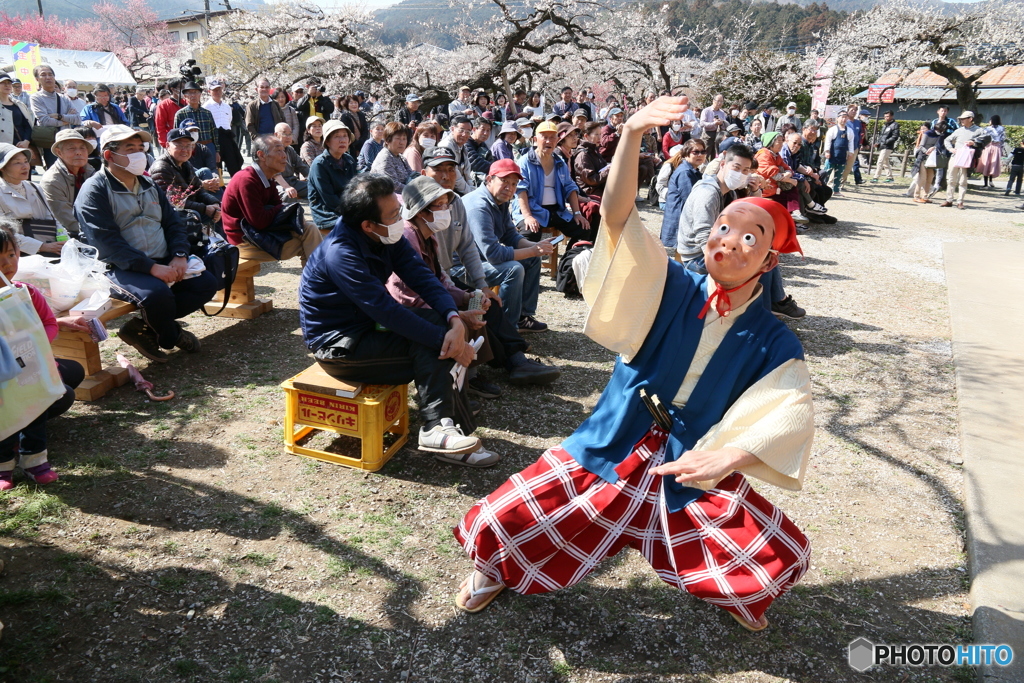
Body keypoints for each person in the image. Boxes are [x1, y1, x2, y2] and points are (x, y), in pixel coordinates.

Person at [452, 97, 814, 632]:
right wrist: (631, 136)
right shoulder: (671, 283)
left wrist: (728, 457)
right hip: (619, 433)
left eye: (747, 239)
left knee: (767, 557)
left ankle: (734, 590)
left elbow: (789, 408)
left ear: (769, 260)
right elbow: (617, 218)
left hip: (688, 454)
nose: (727, 243)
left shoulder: (773, 337)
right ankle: (496, 570)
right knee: (514, 514)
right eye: (721, 230)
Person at [299, 173, 493, 464]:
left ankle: (449, 434)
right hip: (339, 346)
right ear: (367, 224)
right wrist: (451, 340)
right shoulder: (341, 254)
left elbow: (424, 278)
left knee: (441, 331)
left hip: (367, 328)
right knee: (436, 344)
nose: (401, 219)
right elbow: (386, 312)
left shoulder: (384, 235)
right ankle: (437, 428)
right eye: (393, 214)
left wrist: (453, 319)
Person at [389, 175, 559, 395]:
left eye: (445, 205)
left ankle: (515, 361)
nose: (445, 210)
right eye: (439, 206)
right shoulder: (408, 238)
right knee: (468, 316)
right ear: (421, 211)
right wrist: (455, 311)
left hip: (433, 293)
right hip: (412, 307)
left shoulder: (428, 235)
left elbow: (440, 277)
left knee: (485, 303)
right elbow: (407, 294)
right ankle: (469, 378)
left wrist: (467, 296)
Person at [75, 125, 220, 362]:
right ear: (110, 155)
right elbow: (106, 243)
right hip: (118, 266)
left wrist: (180, 255)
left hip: (161, 257)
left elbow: (173, 223)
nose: (139, 154)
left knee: (206, 283)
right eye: (129, 148)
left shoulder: (148, 184)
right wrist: (151, 268)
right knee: (157, 295)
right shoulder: (95, 190)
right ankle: (171, 335)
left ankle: (143, 328)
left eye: (141, 148)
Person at [0, 220, 87, 488]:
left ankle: (35, 461)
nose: (7, 264)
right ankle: (3, 467)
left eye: (12, 255)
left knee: (36, 406)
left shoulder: (25, 293)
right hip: (3, 375)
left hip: (31, 367)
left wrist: (37, 342)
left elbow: (48, 323)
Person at [463, 159, 553, 332]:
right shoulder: (478, 206)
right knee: (514, 269)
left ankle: (522, 317)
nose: (509, 188)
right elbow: (494, 254)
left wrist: (535, 247)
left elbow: (510, 235)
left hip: (482, 259)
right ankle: (506, 328)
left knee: (532, 260)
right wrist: (531, 250)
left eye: (514, 184)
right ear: (489, 179)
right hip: (464, 267)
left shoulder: (499, 201)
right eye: (504, 181)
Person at [221, 133, 321, 266]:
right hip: (244, 241)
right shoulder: (246, 180)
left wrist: (287, 212)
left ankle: (319, 282)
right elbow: (260, 221)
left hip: (261, 233)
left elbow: (276, 210)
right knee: (309, 242)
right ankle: (319, 283)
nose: (284, 155)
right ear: (261, 155)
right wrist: (284, 208)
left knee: (309, 229)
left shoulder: (268, 178)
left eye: (283, 150)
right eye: (278, 150)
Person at [513, 120, 593, 249]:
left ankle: (568, 264)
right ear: (535, 139)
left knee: (584, 230)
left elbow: (570, 187)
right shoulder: (525, 161)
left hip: (556, 210)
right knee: (529, 234)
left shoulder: (559, 162)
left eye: (552, 137)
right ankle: (528, 267)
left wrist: (577, 213)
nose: (549, 141)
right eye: (544, 137)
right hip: (532, 209)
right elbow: (521, 190)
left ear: (557, 140)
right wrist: (527, 216)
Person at [0, 143, 68, 254]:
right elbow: (4, 233)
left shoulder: (35, 187)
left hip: (48, 249)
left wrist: (63, 239)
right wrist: (41, 246)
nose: (25, 166)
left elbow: (51, 218)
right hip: (15, 254)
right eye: (17, 163)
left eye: (26, 161)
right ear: (2, 168)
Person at [149, 127, 222, 228]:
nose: (184, 150)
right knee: (216, 215)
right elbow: (174, 202)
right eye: (179, 145)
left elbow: (198, 189)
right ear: (167, 146)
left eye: (188, 146)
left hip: (187, 208)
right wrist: (205, 208)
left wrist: (215, 203)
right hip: (170, 215)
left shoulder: (185, 163)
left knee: (219, 211)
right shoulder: (161, 167)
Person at [40, 130, 96, 238]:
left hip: (93, 228)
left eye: (82, 148)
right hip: (71, 235)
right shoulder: (52, 181)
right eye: (72, 148)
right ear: (59, 152)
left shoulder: (91, 172)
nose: (78, 152)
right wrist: (98, 232)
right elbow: (67, 220)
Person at [307, 120, 358, 231]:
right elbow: (329, 199)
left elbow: (356, 188)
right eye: (336, 136)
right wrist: (352, 211)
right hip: (326, 212)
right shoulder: (320, 164)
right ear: (328, 142)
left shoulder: (349, 160)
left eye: (345, 136)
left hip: (346, 207)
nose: (342, 140)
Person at [30, 66, 81, 167]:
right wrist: (67, 120)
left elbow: (78, 119)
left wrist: (59, 116)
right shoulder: (36, 98)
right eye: (43, 75)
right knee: (55, 174)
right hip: (51, 143)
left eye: (50, 74)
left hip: (67, 140)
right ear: (37, 79)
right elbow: (45, 121)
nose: (48, 77)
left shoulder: (64, 98)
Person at [659, 139, 706, 249]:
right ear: (686, 153)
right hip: (679, 220)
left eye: (703, 152)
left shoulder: (692, 170)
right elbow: (690, 199)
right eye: (695, 152)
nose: (700, 155)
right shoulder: (685, 172)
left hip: (682, 220)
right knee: (682, 254)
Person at [755, 132, 806, 224]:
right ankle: (795, 217)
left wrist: (788, 173)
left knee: (793, 190)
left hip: (775, 188)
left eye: (782, 141)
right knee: (791, 189)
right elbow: (774, 175)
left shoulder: (776, 155)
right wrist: (790, 179)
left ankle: (795, 216)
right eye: (779, 141)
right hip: (765, 190)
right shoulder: (763, 155)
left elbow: (788, 168)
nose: (781, 144)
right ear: (771, 143)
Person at [173, 82, 219, 173]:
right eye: (189, 93)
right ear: (185, 96)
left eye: (196, 92)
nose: (193, 95)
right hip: (190, 148)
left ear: (200, 95)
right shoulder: (180, 114)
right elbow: (176, 135)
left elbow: (214, 132)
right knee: (192, 173)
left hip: (209, 145)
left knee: (212, 172)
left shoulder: (207, 113)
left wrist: (217, 151)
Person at [204, 79, 243, 176]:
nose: (217, 92)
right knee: (216, 166)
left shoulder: (227, 107)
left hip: (226, 136)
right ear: (209, 91)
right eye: (214, 90)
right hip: (213, 138)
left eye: (219, 90)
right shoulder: (206, 107)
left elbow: (229, 121)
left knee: (234, 162)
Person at [941, 111, 980, 210]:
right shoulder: (959, 130)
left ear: (970, 119)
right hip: (955, 156)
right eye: (961, 119)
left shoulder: (979, 130)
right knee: (951, 178)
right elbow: (947, 140)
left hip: (967, 157)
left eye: (963, 119)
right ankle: (949, 199)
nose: (961, 121)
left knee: (963, 180)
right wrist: (950, 149)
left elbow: (986, 139)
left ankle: (960, 201)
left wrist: (974, 143)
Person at [370, 121, 416, 192]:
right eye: (398, 138)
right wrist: (415, 190)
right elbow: (392, 185)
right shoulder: (385, 158)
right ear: (387, 140)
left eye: (404, 139)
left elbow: (411, 174)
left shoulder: (401, 157)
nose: (402, 142)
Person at [271, 123, 309, 201]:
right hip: (277, 184)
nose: (288, 137)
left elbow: (302, 167)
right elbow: (275, 174)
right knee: (288, 195)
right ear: (276, 135)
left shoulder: (290, 149)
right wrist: (287, 187)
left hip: (293, 182)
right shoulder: (271, 150)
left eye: (290, 134)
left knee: (317, 188)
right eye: (285, 134)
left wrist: (315, 180)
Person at [0, 73, 34, 149]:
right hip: (5, 147)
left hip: (24, 145)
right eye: (3, 83)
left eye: (9, 83)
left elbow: (27, 125)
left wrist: (26, 141)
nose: (7, 85)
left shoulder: (19, 104)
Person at [822, 112, 851, 196]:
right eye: (842, 117)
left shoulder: (849, 130)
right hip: (832, 155)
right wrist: (827, 151)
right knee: (826, 173)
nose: (844, 119)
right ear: (837, 118)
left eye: (845, 117)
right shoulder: (833, 129)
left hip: (842, 155)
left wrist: (851, 153)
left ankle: (836, 190)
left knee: (839, 174)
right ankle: (823, 189)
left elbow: (850, 143)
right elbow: (827, 141)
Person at [913, 123, 939, 204]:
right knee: (922, 178)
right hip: (923, 158)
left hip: (931, 159)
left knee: (930, 177)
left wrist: (934, 148)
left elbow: (938, 145)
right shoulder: (927, 134)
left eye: (925, 128)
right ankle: (916, 196)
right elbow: (921, 146)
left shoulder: (939, 135)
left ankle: (925, 196)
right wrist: (926, 151)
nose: (923, 130)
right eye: (922, 128)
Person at [871, 111, 900, 183]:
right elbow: (881, 136)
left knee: (880, 161)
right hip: (882, 146)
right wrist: (878, 143)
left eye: (887, 116)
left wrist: (886, 142)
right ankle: (890, 177)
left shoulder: (895, 125)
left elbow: (895, 136)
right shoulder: (885, 125)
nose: (886, 118)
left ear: (892, 116)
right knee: (885, 162)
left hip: (888, 146)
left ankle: (876, 177)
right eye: (885, 116)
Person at [154, 78, 184, 149]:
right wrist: (165, 143)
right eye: (181, 87)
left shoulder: (187, 102)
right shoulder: (163, 105)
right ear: (173, 89)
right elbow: (160, 126)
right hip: (172, 141)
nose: (184, 89)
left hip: (187, 140)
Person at [976, 114, 1004, 188]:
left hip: (988, 147)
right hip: (997, 147)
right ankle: (991, 181)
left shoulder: (987, 129)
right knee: (993, 164)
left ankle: (985, 183)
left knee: (986, 163)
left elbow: (983, 138)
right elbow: (1002, 140)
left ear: (992, 120)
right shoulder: (1002, 128)